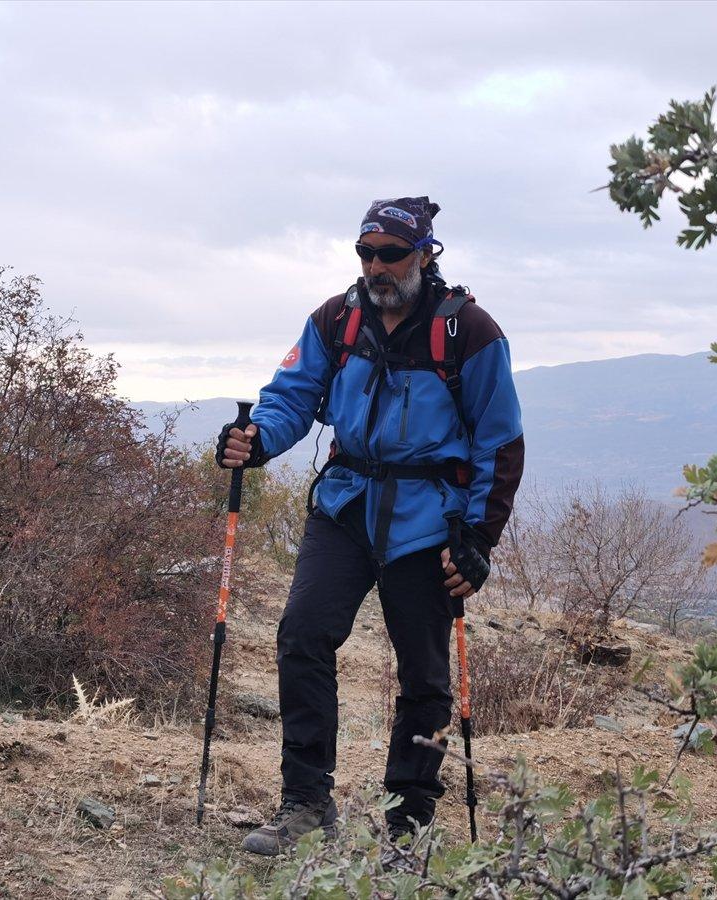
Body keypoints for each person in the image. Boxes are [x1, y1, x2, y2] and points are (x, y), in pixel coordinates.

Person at [216, 196, 524, 856]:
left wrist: (477, 539)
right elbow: (291, 398)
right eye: (366, 253)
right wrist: (257, 439)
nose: (376, 266)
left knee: (424, 680)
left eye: (390, 254)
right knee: (302, 634)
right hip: (347, 505)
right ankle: (305, 807)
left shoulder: (469, 333)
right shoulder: (337, 320)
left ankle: (406, 827)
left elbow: (500, 442)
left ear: (424, 255)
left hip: (428, 524)